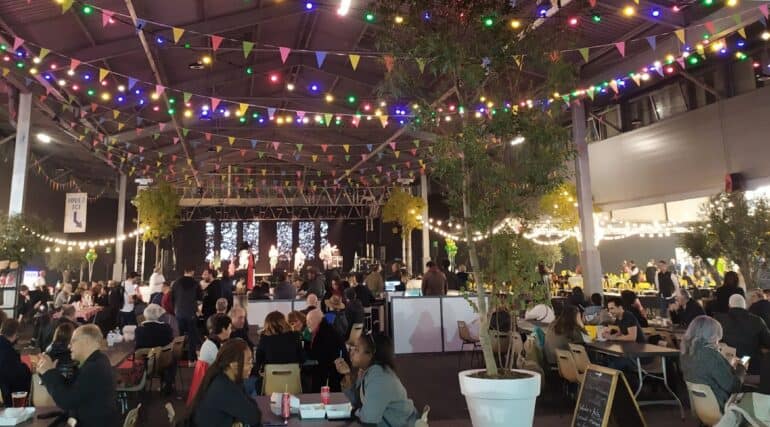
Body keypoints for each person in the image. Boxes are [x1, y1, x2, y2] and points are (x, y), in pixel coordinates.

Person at [37, 324, 120, 427]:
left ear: (86, 342)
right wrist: (51, 372)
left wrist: (48, 373)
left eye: (73, 341)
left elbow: (66, 401)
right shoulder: (99, 361)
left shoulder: (93, 367)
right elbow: (72, 389)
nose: (69, 346)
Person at [335, 334, 418, 426]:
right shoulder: (368, 371)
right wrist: (347, 374)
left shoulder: (379, 377)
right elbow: (357, 402)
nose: (351, 352)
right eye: (353, 348)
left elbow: (369, 419)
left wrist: (355, 412)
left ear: (371, 355)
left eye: (357, 350)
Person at [190, 338, 261, 427]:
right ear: (233, 364)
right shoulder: (224, 387)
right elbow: (254, 417)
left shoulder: (224, 378)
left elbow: (250, 406)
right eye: (248, 361)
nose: (252, 365)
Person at [680, 316, 745, 409]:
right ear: (713, 336)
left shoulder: (685, 351)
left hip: (701, 407)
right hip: (721, 405)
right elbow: (733, 387)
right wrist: (741, 368)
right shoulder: (711, 355)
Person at [716, 294, 770, 375]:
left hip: (727, 367)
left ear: (729, 305)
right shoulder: (757, 320)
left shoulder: (719, 320)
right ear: (745, 306)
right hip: (752, 366)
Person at [602, 297, 646, 372]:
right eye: (609, 309)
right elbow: (620, 333)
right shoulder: (618, 318)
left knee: (613, 365)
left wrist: (613, 338)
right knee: (605, 359)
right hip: (629, 353)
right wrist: (608, 335)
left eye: (612, 308)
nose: (610, 311)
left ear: (620, 307)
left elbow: (632, 337)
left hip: (640, 354)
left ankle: (610, 378)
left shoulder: (628, 316)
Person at [306, 308, 346, 392]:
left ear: (317, 320)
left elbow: (316, 356)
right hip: (335, 370)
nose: (307, 324)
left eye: (309, 320)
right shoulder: (327, 328)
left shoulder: (322, 333)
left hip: (329, 375)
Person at [172, 266, 203, 365]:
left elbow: (172, 298)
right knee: (192, 337)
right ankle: (191, 360)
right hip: (191, 313)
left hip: (179, 313)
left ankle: (177, 359)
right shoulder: (196, 283)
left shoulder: (176, 283)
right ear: (192, 272)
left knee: (179, 337)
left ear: (184, 271)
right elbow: (200, 299)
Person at [0, 319, 31, 406]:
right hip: (8, 395)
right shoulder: (7, 350)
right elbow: (16, 375)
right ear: (16, 334)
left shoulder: (4, 346)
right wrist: (26, 368)